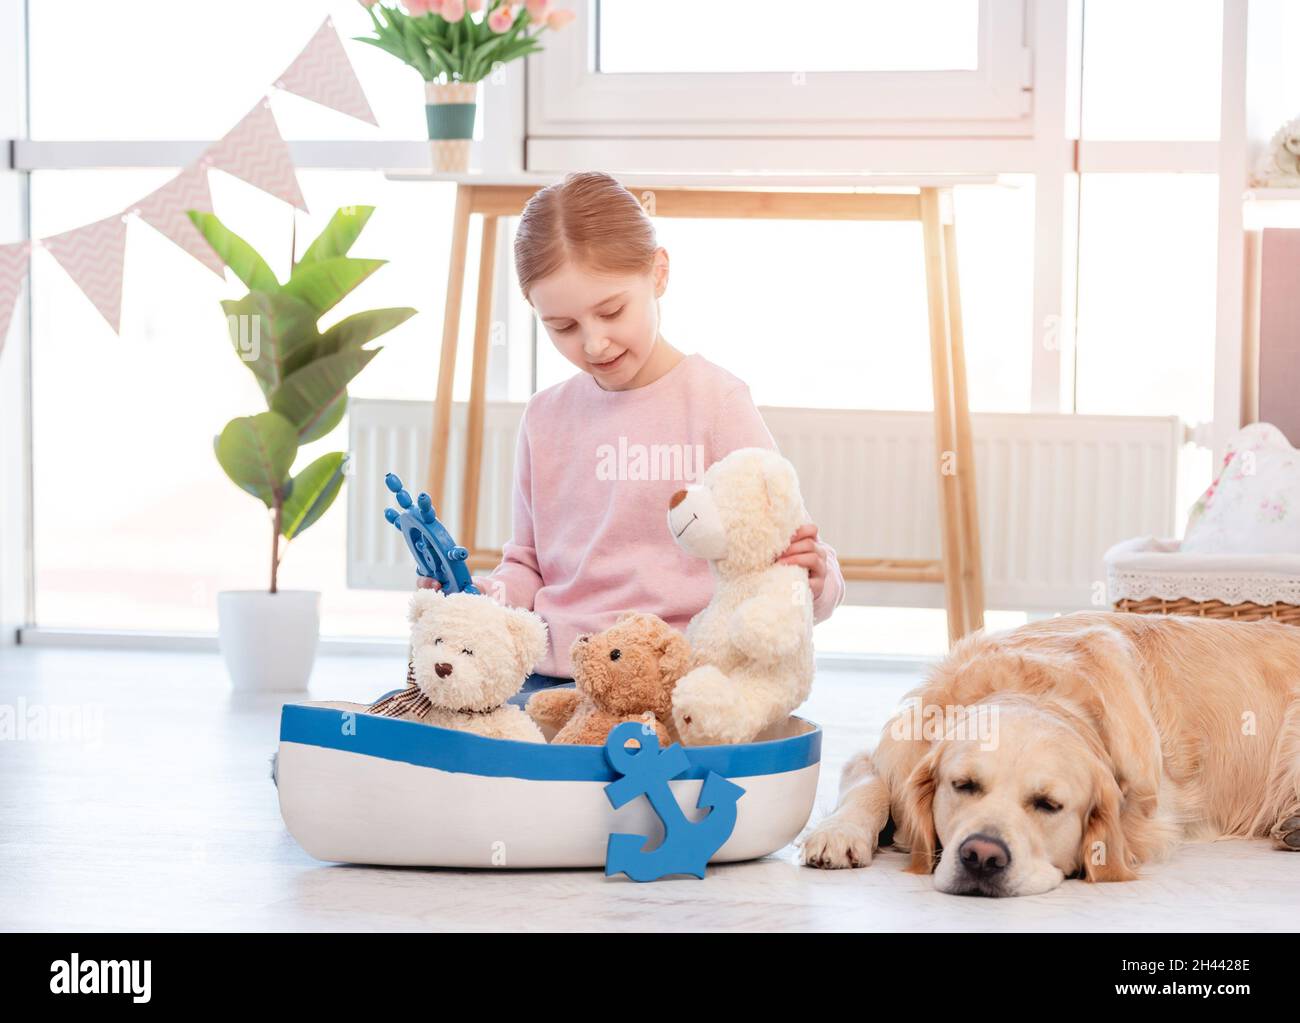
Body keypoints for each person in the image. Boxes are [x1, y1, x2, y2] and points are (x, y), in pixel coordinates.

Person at [419, 170, 845, 708]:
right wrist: (481, 600)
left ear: (658, 273)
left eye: (612, 311)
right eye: (563, 326)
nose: (594, 343)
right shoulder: (544, 417)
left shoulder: (717, 404)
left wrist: (816, 579)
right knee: (440, 714)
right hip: (557, 673)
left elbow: (786, 556)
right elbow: (527, 563)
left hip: (676, 675)